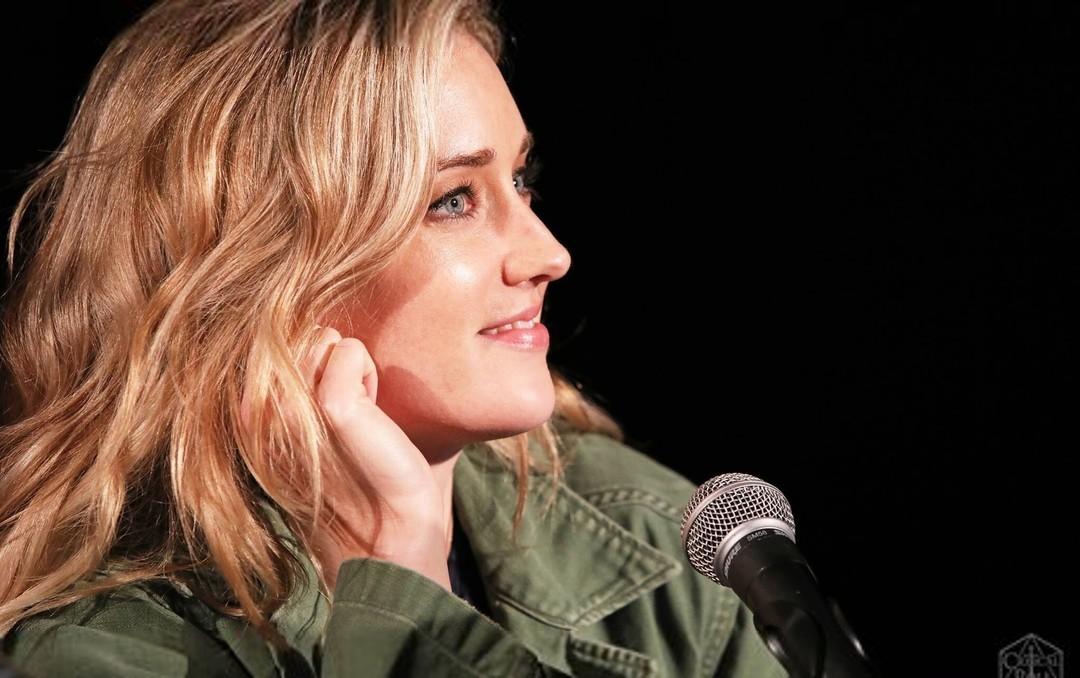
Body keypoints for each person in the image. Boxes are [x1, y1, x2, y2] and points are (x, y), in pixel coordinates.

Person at [0, 1, 789, 676]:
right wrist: (405, 595)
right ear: (260, 274)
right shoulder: (102, 652)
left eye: (520, 181)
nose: (550, 254)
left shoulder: (659, 537)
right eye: (452, 200)